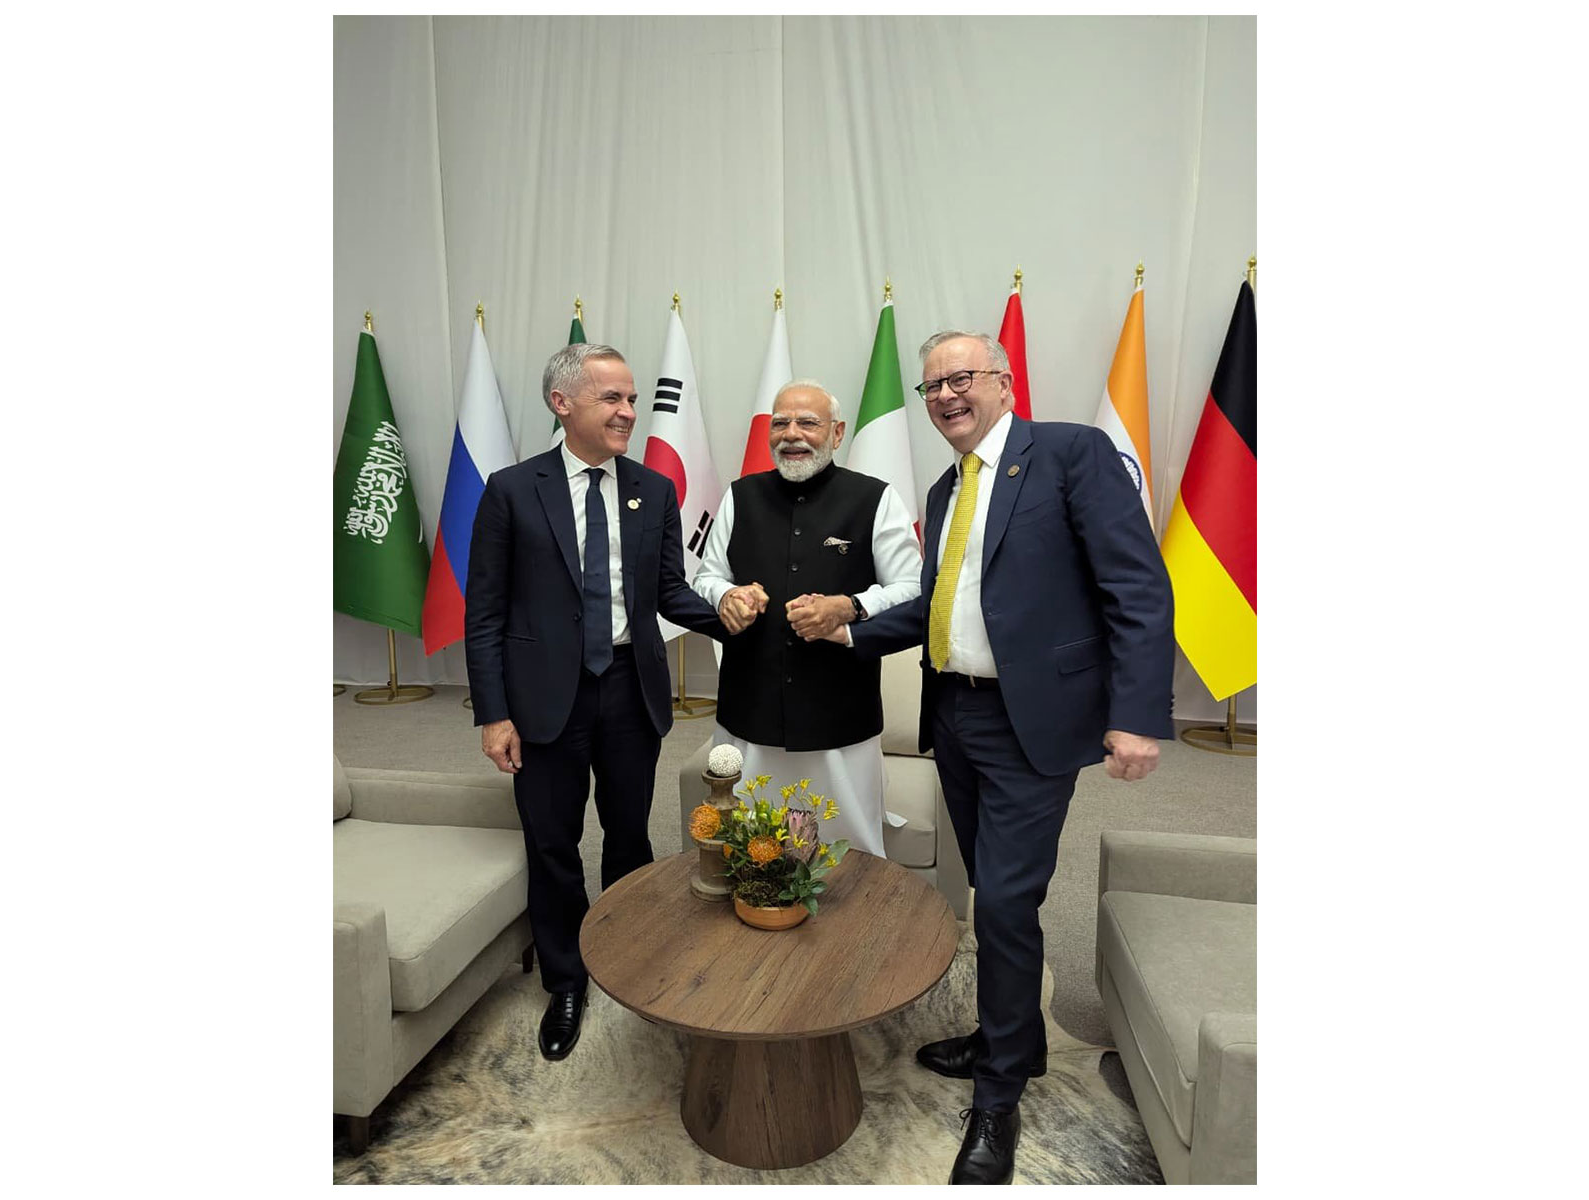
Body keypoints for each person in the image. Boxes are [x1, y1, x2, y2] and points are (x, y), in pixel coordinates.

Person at [824, 331, 1174, 1184]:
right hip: (960, 719)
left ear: (1003, 380)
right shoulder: (946, 489)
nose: (945, 394)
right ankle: (1005, 1033)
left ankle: (998, 1092)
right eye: (932, 384)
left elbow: (1136, 584)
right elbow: (943, 606)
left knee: (1008, 904)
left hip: (1035, 724)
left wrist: (1135, 718)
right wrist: (852, 631)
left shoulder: (1068, 454)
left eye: (962, 377)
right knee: (990, 888)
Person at [464, 342, 753, 1062]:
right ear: (562, 403)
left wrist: (727, 610)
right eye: (612, 399)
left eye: (631, 399)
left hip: (630, 689)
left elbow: (668, 592)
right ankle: (565, 980)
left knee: (630, 838)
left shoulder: (652, 490)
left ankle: (627, 960)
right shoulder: (509, 489)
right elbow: (486, 614)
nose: (629, 412)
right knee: (554, 843)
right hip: (540, 700)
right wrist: (493, 713)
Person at [691, 379, 921, 856]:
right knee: (747, 843)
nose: (791, 433)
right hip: (749, 706)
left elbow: (913, 586)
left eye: (808, 423)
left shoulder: (875, 499)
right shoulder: (740, 496)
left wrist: (850, 606)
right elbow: (707, 575)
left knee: (844, 852)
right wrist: (727, 594)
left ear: (837, 434)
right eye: (781, 423)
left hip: (838, 710)